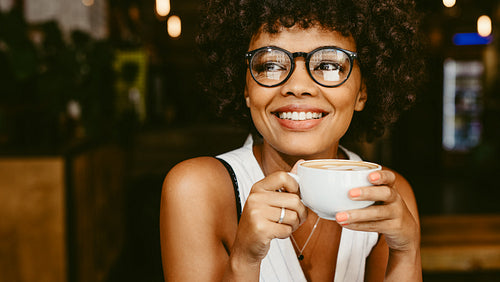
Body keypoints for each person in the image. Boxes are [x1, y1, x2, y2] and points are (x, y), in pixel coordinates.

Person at [160, 0, 425, 280]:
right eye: (271, 64)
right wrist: (245, 261)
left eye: (328, 64)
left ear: (362, 91)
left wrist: (406, 254)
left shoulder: (387, 196)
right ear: (246, 89)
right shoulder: (197, 190)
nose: (297, 87)